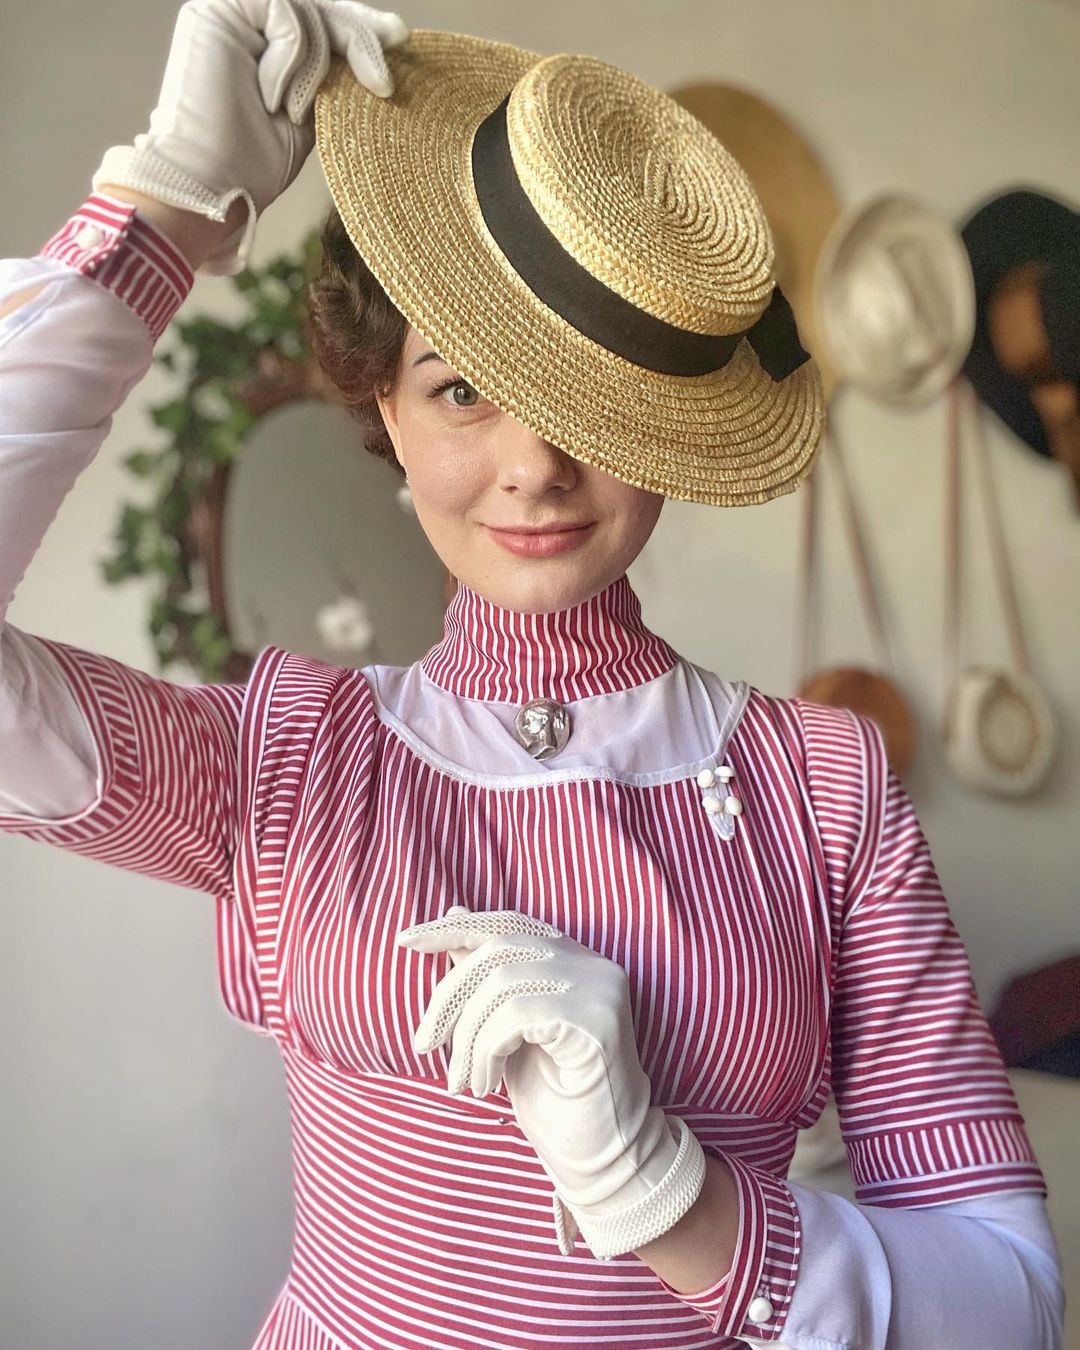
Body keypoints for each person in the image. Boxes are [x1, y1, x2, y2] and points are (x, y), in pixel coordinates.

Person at [0, 2, 1065, 1347]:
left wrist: (661, 1185)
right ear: (381, 403)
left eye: (592, 395)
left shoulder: (825, 785)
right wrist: (159, 207)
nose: (536, 466)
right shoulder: (290, 759)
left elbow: (1011, 1301)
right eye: (463, 389)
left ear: (669, 427)